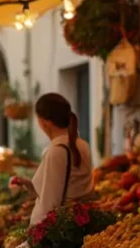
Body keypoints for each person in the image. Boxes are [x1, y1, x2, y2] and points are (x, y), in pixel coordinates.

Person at [11, 93, 93, 226]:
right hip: (76, 222)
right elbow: (65, 187)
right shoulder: (82, 144)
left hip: (60, 228)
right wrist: (29, 184)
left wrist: (36, 228)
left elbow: (51, 202)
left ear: (45, 123)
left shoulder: (57, 151)